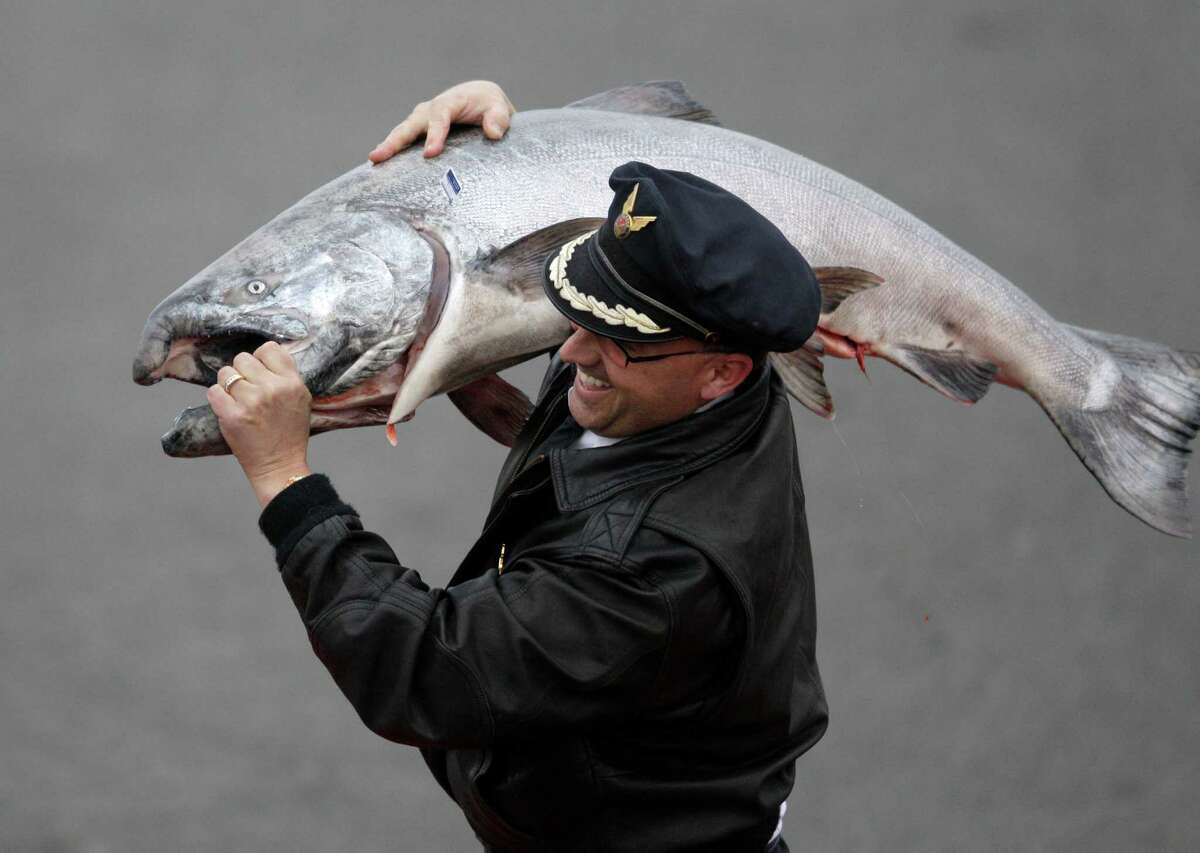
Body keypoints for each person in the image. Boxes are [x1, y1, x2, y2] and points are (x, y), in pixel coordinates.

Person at [207, 81, 828, 853]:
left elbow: (425, 669)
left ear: (723, 372)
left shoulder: (650, 575)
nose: (569, 355)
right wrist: (492, 156)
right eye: (582, 311)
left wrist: (284, 480)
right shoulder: (701, 389)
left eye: (616, 342)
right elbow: (592, 441)